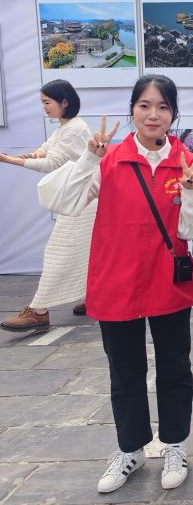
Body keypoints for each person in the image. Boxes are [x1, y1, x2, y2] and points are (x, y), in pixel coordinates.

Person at [37, 75, 193, 494]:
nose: (153, 115)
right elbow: (60, 200)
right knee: (125, 370)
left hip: (167, 281)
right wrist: (88, 158)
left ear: (173, 113)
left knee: (175, 367)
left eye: (163, 107)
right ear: (132, 110)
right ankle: (130, 448)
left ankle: (174, 445)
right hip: (116, 280)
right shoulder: (109, 158)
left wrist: (191, 192)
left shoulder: (186, 161)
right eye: (144, 106)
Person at [1, 80, 93, 332]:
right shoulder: (68, 126)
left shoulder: (74, 128)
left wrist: (8, 159)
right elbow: (47, 149)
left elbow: (52, 163)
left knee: (58, 253)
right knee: (85, 253)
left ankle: (39, 311)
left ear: (64, 102)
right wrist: (33, 154)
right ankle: (94, 296)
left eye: (46, 102)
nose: (43, 107)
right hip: (81, 200)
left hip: (83, 203)